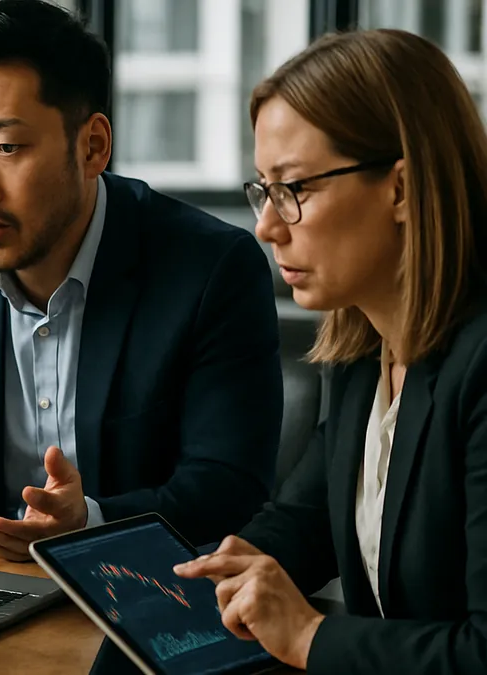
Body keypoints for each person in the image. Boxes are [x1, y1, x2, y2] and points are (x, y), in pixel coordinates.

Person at [0, 0, 283, 557]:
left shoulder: (208, 269)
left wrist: (90, 522)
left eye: (7, 147)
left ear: (93, 145)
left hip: (133, 590)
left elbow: (229, 488)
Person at [173, 29, 487, 674]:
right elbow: (302, 522)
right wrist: (204, 577)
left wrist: (308, 637)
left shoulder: (481, 366)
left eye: (295, 188)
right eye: (263, 189)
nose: (265, 225)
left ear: (401, 189)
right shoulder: (360, 351)